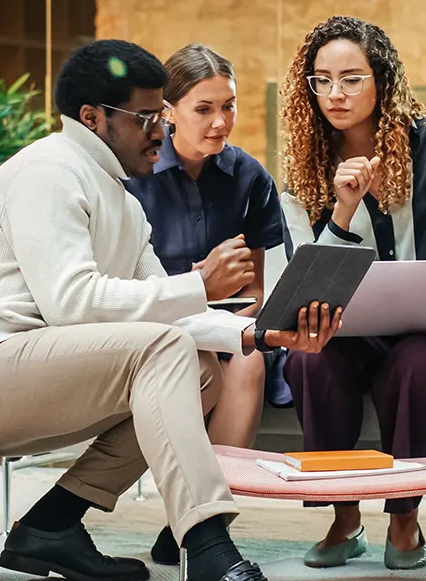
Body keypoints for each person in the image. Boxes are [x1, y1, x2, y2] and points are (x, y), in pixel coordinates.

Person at [0, 39, 341, 581]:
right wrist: (199, 284)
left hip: (28, 378)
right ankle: (207, 545)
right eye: (146, 117)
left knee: (203, 371)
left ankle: (51, 526)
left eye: (161, 115)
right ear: (92, 118)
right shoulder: (47, 172)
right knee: (167, 350)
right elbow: (72, 304)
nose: (160, 131)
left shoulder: (124, 202)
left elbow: (173, 317)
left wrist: (267, 336)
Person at [277, 16, 426, 571]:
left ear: (381, 78)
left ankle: (405, 517)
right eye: (321, 80)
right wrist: (344, 208)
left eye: (351, 78)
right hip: (356, 334)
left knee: (415, 362)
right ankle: (344, 515)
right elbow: (308, 280)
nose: (335, 93)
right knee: (310, 364)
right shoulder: (303, 168)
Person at [122, 43, 288, 566]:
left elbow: (253, 292)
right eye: (204, 109)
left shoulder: (250, 177)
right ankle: (200, 529)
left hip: (224, 327)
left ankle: (195, 525)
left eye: (229, 106)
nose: (221, 122)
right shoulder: (133, 178)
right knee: (195, 363)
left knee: (248, 357)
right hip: (153, 325)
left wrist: (242, 322)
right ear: (167, 112)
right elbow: (120, 288)